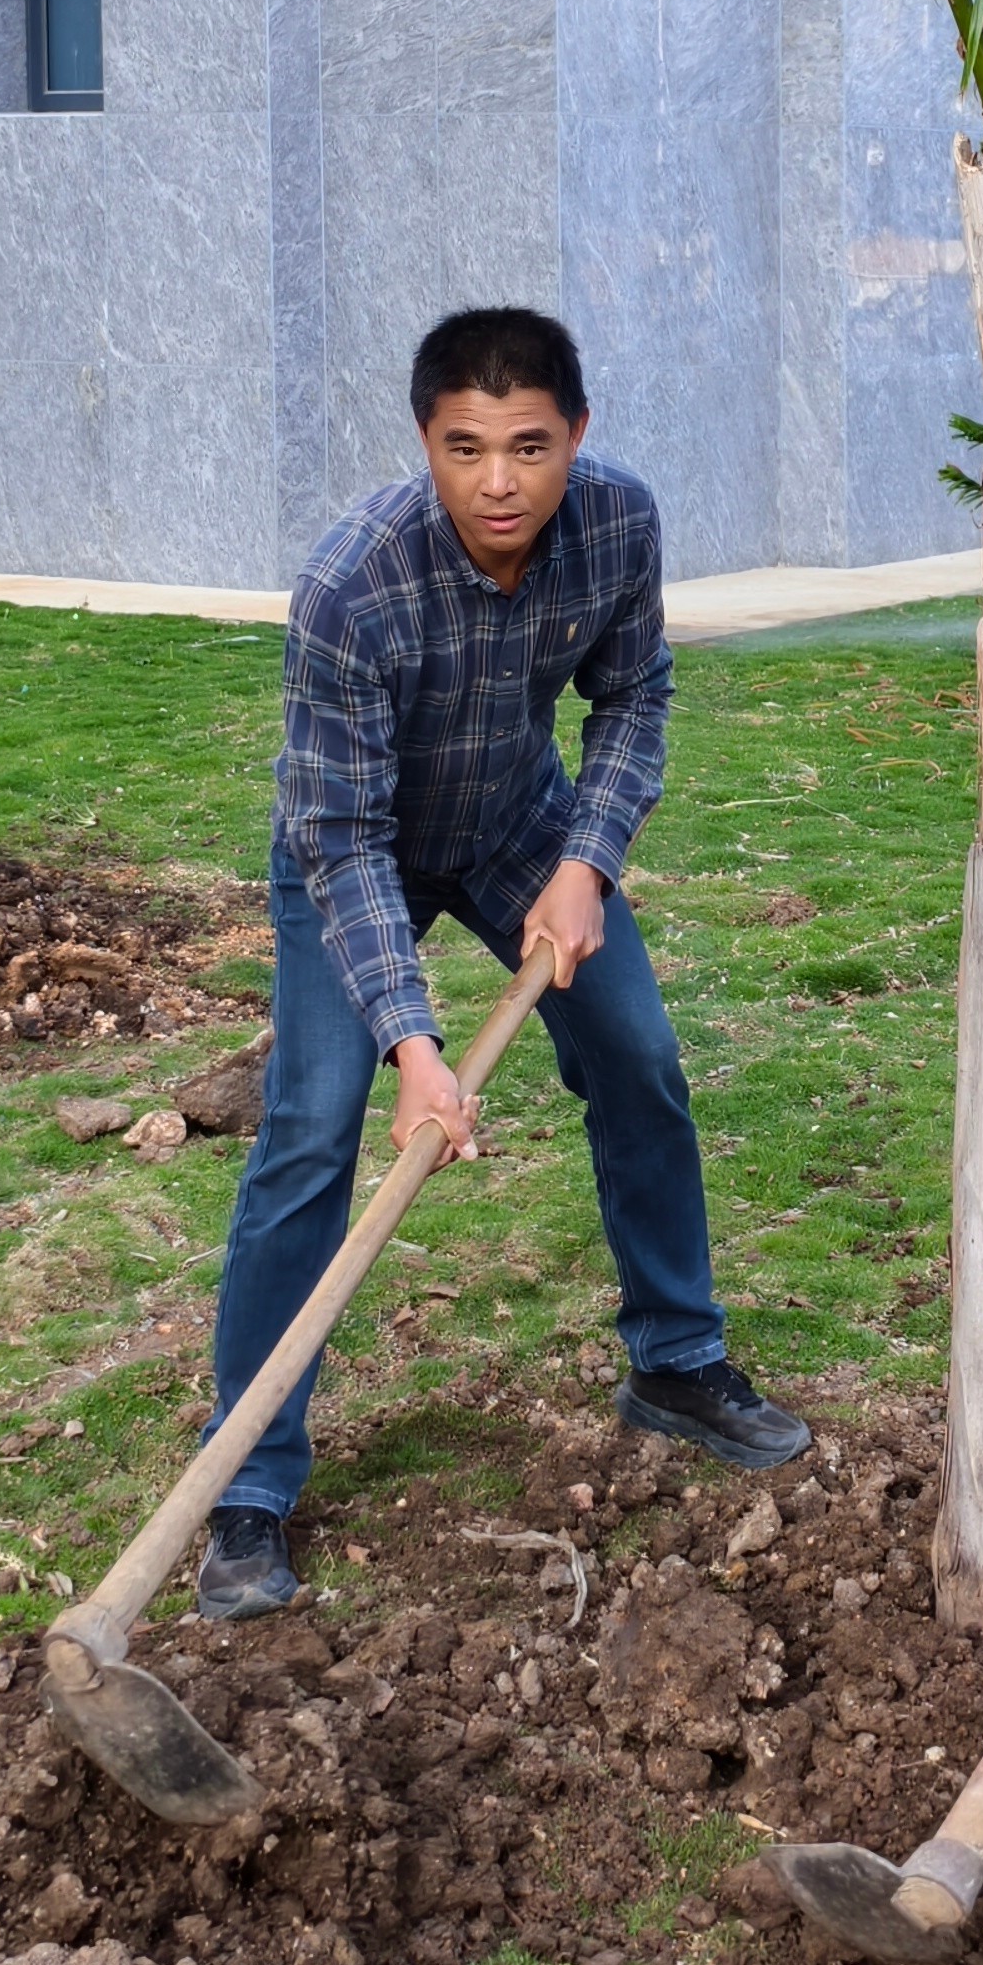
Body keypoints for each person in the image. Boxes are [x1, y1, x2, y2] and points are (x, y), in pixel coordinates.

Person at [195, 308, 808, 1622]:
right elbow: (343, 841)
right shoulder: (353, 586)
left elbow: (633, 698)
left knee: (637, 1056)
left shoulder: (618, 524)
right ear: (424, 441)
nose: (498, 483)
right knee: (313, 1126)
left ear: (575, 435)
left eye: (529, 446)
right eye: (464, 449)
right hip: (355, 847)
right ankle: (246, 1483)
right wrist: (416, 1049)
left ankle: (676, 1358)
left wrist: (588, 858)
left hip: (523, 827)